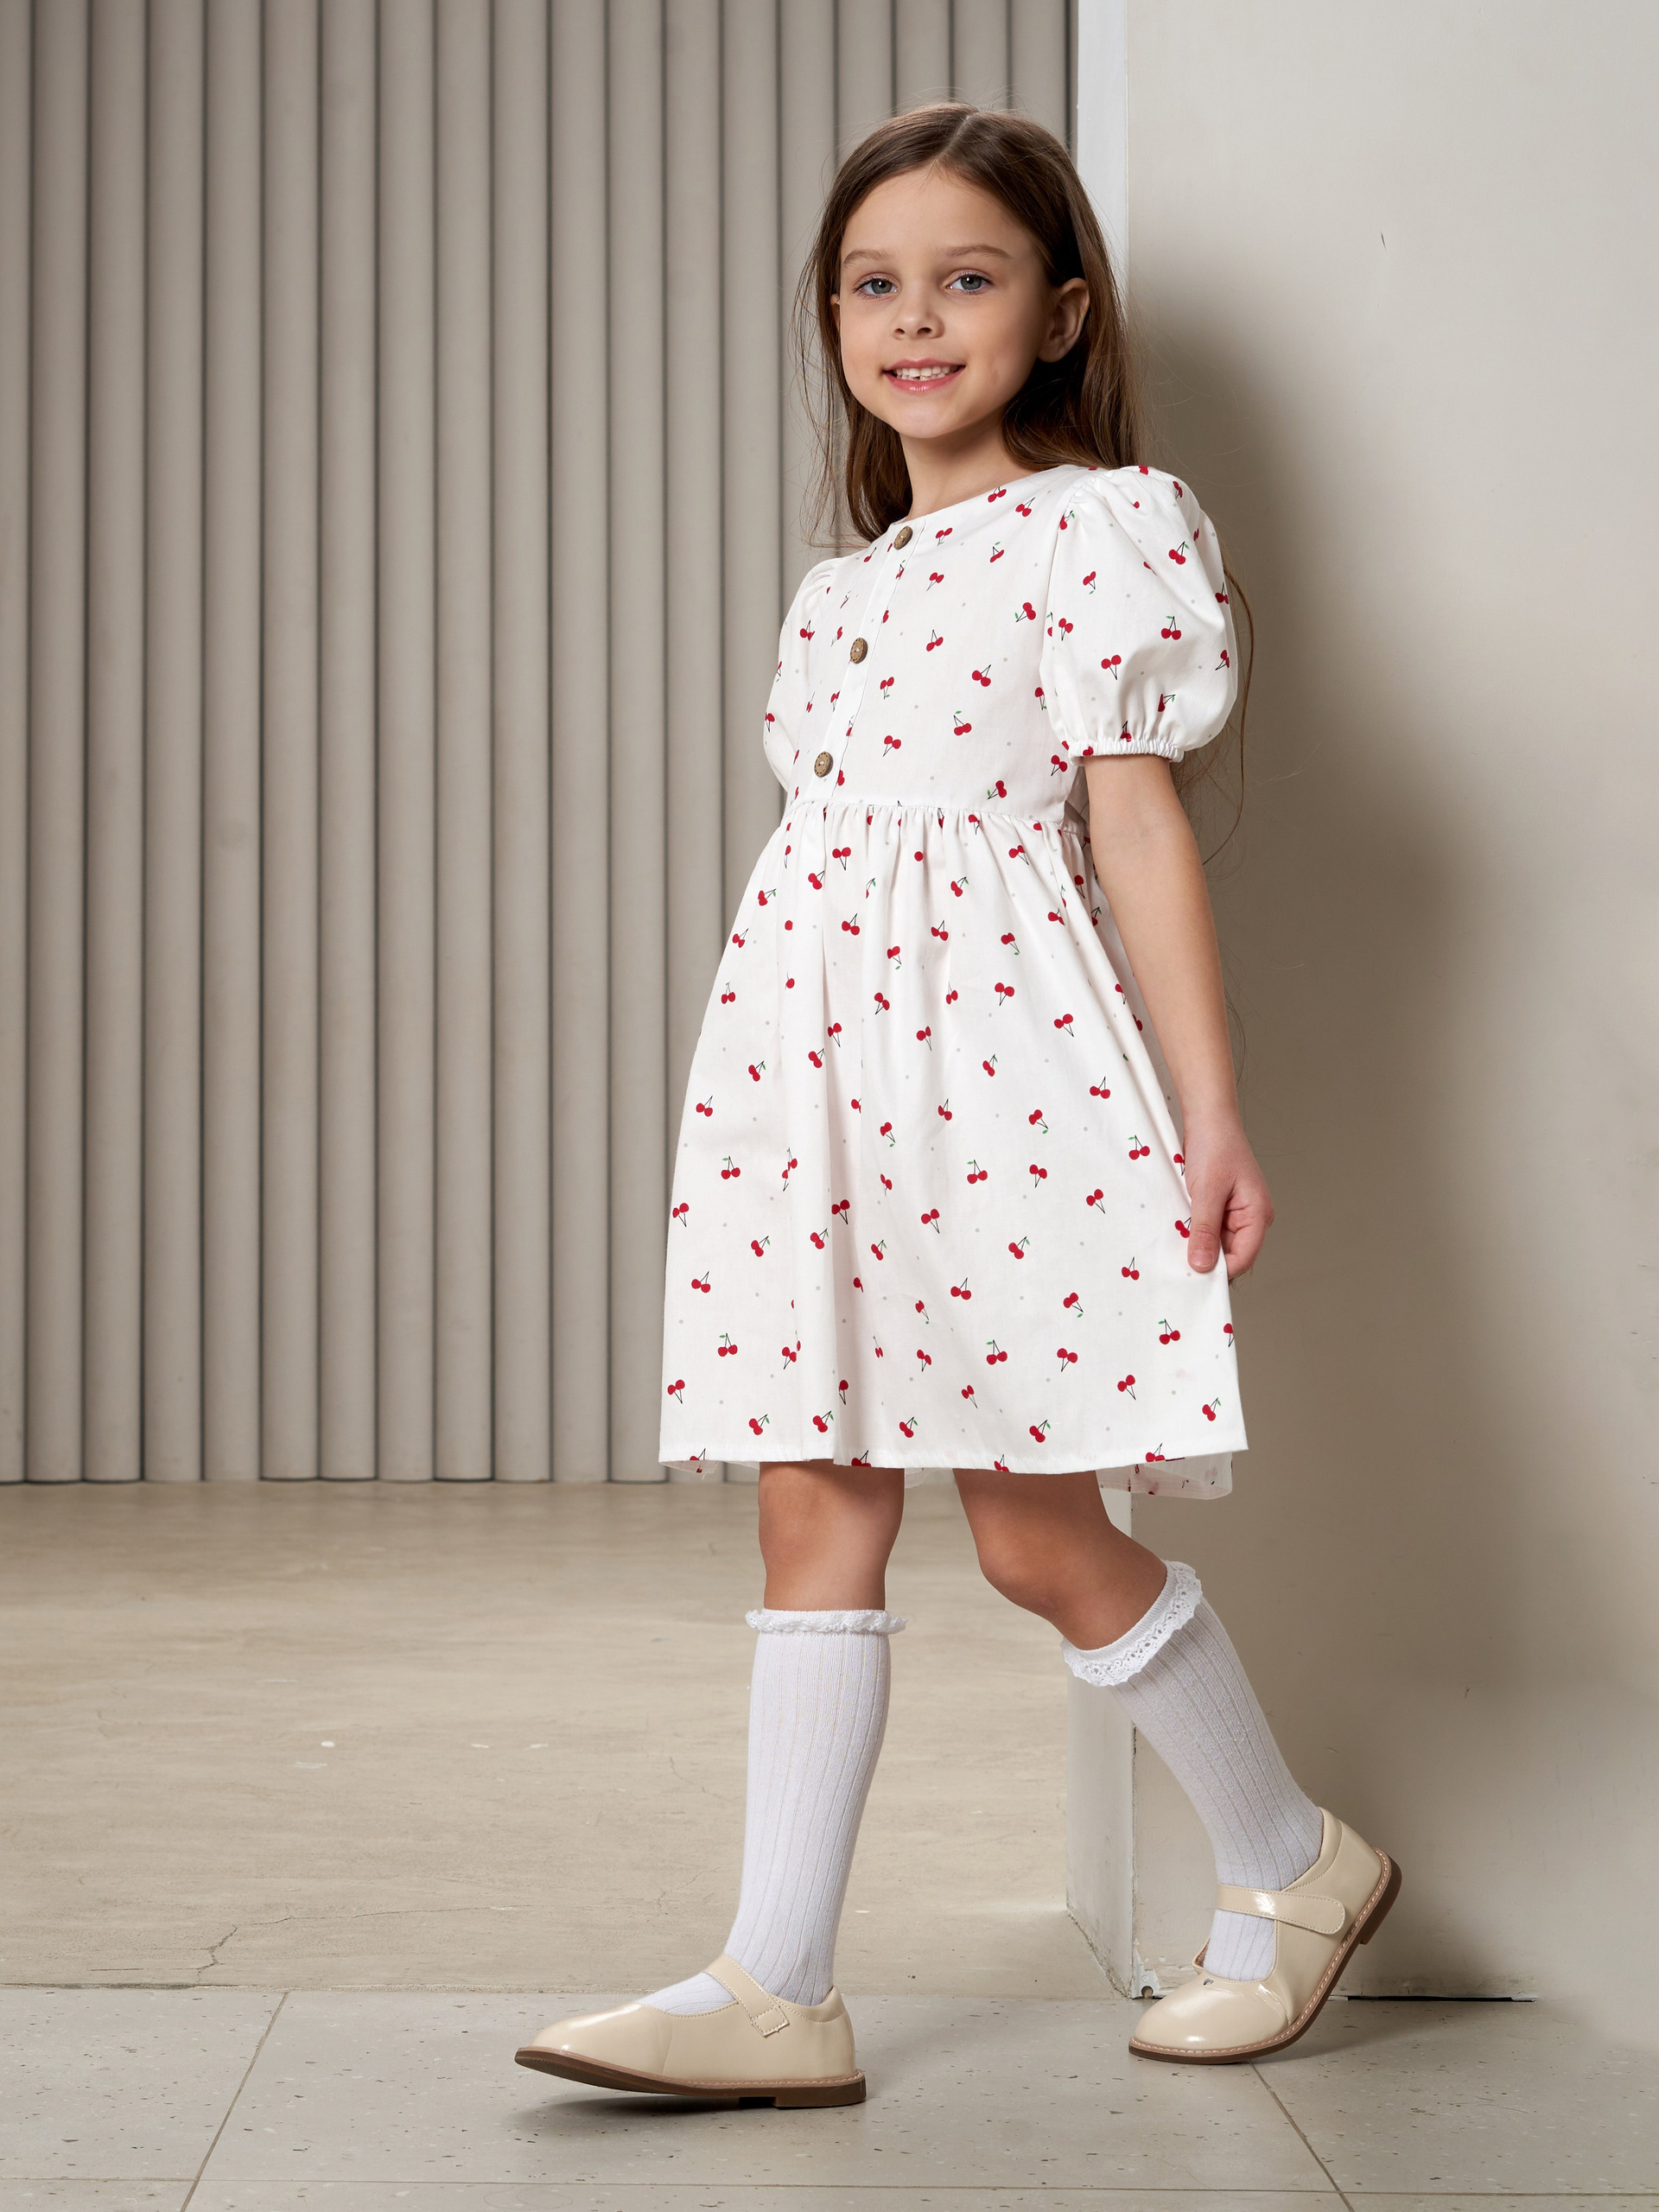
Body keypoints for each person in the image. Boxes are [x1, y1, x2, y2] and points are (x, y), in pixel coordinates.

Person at [517, 103, 1397, 2106]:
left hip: (1001, 1083)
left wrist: (1213, 1112)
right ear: (833, 317)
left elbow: (1133, 828)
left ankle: (1292, 1859)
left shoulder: (1098, 529)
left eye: (967, 277)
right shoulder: (838, 596)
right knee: (808, 1488)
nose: (914, 319)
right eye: (873, 283)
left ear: (1061, 311)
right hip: (807, 1084)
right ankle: (777, 1982)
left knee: (1029, 1534)